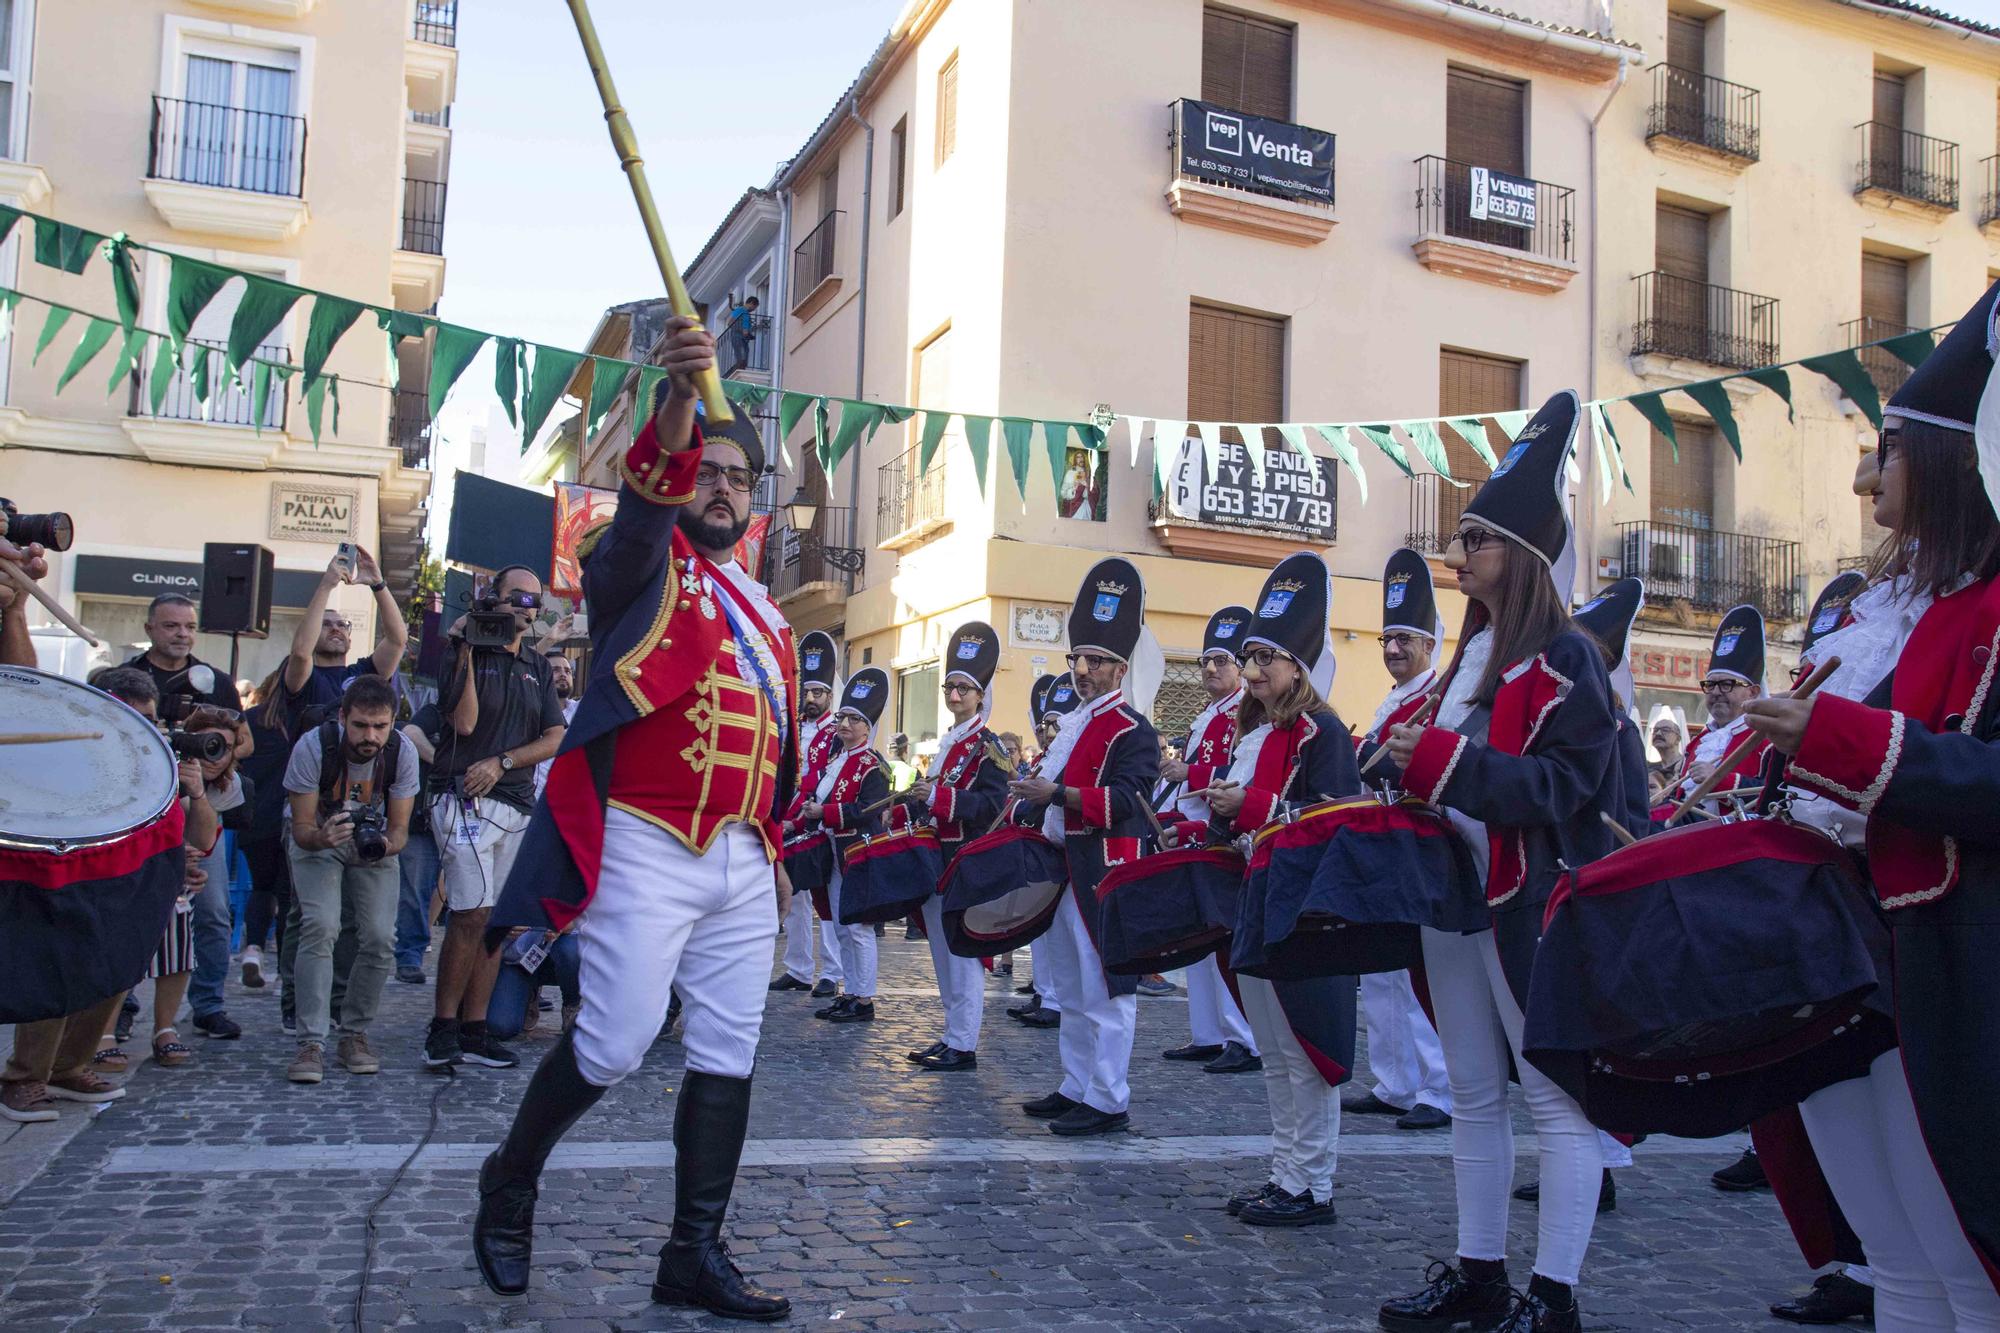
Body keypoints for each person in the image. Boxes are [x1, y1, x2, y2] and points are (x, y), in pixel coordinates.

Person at [472, 318, 797, 1320]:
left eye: (740, 478)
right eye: (709, 469)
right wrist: (676, 402)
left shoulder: (773, 618)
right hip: (646, 843)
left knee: (727, 1049)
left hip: (740, 855)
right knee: (613, 1043)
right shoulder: (640, 570)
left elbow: (776, 749)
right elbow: (642, 510)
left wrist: (773, 849)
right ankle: (511, 1176)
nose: (723, 486)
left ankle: (691, 1253)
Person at [1741, 280, 2000, 1329]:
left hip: (1942, 966)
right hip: (1839, 951)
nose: (1864, 479)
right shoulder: (1892, 608)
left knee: (1961, 1255)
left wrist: (1836, 740)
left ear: (1942, 461)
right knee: (1888, 1250)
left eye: (1886, 450)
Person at [1380, 391, 1622, 1333]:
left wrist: (1441, 763)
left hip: (1532, 901)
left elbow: (1566, 790)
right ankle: (1480, 1274)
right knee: (1474, 1096)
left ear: (1517, 553)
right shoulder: (1466, 664)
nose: (1456, 558)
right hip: (1456, 894)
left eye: (1474, 542)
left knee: (1558, 1103)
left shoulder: (1569, 658)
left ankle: (1553, 1296)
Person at [1197, 552, 1361, 1227]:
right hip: (1254, 901)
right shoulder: (1251, 730)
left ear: (1299, 665)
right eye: (1252, 656)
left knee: (1306, 1053)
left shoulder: (1323, 734)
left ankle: (1313, 1186)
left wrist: (1254, 804)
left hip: (1302, 910)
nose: (1256, 670)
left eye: (1268, 657)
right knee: (1274, 1051)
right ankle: (1284, 1173)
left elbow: (1335, 821)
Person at [1008, 557, 1162, 1137]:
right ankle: (1076, 1085)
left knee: (1106, 990)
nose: (1083, 669)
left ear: (1119, 668)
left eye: (1096, 661)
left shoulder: (1133, 729)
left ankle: (1109, 1097)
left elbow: (1129, 800)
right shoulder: (1073, 723)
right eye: (1079, 659)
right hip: (1063, 868)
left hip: (1103, 872)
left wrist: (1059, 794)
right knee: (1071, 989)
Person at [423, 564, 568, 1072]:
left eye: (534, 601)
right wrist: (463, 648)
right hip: (461, 798)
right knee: (471, 912)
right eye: (516, 598)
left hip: (514, 802)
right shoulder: (465, 651)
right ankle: (442, 1027)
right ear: (492, 599)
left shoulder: (536, 663)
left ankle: (475, 1029)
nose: (525, 609)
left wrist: (504, 760)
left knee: (496, 921)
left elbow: (555, 736)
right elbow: (462, 722)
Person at [1348, 548, 1453, 1133]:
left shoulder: (1438, 699)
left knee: (1419, 976)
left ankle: (1441, 1088)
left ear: (1429, 645)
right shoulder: (1395, 699)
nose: (1392, 650)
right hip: (1381, 847)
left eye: (1404, 640)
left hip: (1416, 845)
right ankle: (1395, 1083)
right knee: (1382, 975)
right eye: (1387, 638)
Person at [281, 673, 416, 1083]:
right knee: (321, 927)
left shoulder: (402, 752)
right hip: (319, 838)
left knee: (379, 937)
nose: (370, 736)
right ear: (342, 717)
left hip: (373, 846)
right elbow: (301, 829)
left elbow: (400, 832)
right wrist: (324, 837)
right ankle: (311, 1042)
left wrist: (380, 845)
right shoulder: (314, 746)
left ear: (393, 721)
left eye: (380, 726)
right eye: (360, 725)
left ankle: (354, 1032)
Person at [1156, 606, 1260, 1075]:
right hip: (1195, 835)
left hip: (1224, 836)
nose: (1212, 669)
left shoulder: (1247, 713)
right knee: (1197, 941)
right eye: (1205, 661)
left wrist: (1189, 771)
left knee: (1223, 939)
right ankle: (1208, 1032)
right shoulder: (1208, 714)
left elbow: (1244, 775)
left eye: (1222, 660)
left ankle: (1244, 1038)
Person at [903, 622, 1008, 1071]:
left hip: (963, 861)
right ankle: (952, 1034)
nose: (954, 695)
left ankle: (964, 1043)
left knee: (964, 955)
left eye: (964, 688)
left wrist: (937, 798)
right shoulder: (949, 743)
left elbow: (991, 805)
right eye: (950, 687)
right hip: (933, 860)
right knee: (943, 955)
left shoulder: (990, 746)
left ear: (981, 694)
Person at [797, 668, 891, 1024]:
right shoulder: (839, 760)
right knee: (840, 926)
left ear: (868, 727)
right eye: (843, 717)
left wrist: (826, 812)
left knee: (858, 928)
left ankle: (864, 999)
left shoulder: (872, 764)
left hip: (858, 853)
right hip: (835, 851)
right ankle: (849, 991)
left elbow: (868, 810)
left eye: (855, 719)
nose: (846, 724)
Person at [771, 630, 847, 998]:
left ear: (831, 695)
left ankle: (832, 971)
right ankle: (798, 968)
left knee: (826, 899)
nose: (811, 699)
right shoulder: (792, 729)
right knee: (795, 896)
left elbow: (822, 779)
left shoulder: (837, 732)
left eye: (819, 693)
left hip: (822, 823)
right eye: (808, 692)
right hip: (789, 822)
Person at [1011, 671, 1079, 1031]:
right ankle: (1044, 993)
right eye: (1045, 724)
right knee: (1044, 931)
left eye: (1055, 723)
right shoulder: (1049, 756)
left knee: (1060, 933)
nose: (1047, 731)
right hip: (1041, 847)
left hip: (1063, 850)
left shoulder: (1069, 754)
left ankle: (1054, 1000)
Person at [278, 544, 407, 732]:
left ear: (350, 639)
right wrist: (326, 585)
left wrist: (378, 584)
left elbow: (397, 640)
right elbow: (300, 652)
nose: (335, 628)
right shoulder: (305, 676)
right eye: (326, 624)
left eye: (341, 625)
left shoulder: (364, 673)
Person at [1670, 604, 1769, 820]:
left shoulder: (1767, 738)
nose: (1715, 692)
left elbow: (1775, 794)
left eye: (1726, 684)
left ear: (1752, 692)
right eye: (1710, 685)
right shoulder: (1699, 742)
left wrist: (1719, 780)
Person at [393, 702, 443, 984]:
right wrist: (442, 761)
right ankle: (410, 955)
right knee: (414, 889)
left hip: (470, 815)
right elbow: (410, 733)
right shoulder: (436, 712)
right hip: (423, 818)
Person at [486, 927, 582, 1042]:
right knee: (501, 1027)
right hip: (515, 959)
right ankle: (529, 994)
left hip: (557, 948)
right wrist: (503, 928)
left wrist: (568, 924)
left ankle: (571, 1005)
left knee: (572, 950)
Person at [720, 293, 758, 378]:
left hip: (743, 339)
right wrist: (742, 331)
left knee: (744, 359)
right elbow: (730, 323)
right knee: (741, 358)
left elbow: (746, 329)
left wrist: (749, 334)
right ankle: (728, 377)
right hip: (737, 338)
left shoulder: (746, 314)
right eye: (754, 307)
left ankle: (739, 375)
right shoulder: (740, 310)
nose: (753, 310)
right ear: (751, 303)